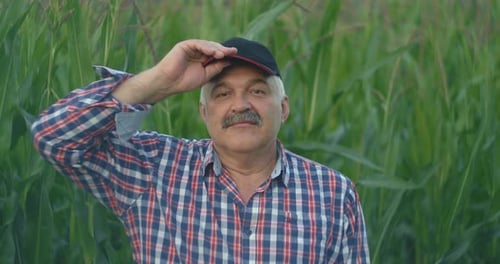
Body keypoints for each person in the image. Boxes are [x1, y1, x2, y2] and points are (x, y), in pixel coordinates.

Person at [31, 37, 370, 263]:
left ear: (283, 108)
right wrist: (159, 82)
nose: (240, 105)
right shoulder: (155, 169)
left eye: (256, 91)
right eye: (222, 94)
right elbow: (53, 138)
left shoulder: (333, 193)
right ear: (204, 113)